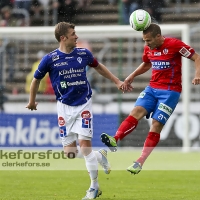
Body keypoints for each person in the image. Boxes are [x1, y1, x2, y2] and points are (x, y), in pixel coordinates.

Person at [26, 22, 130, 199]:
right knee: (70, 153)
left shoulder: (83, 54)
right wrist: (32, 101)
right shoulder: (50, 59)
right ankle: (100, 156)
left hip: (83, 105)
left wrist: (117, 81)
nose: (77, 36)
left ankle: (94, 187)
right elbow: (36, 80)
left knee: (85, 146)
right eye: (73, 34)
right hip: (64, 108)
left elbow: (99, 67)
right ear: (63, 38)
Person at [100, 23, 200, 175]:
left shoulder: (174, 45)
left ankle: (140, 161)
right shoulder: (149, 48)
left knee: (156, 123)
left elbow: (197, 57)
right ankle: (115, 139)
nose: (146, 44)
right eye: (144, 40)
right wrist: (131, 76)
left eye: (148, 40)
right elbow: (147, 64)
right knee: (136, 111)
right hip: (152, 88)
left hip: (170, 92)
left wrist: (197, 74)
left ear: (158, 37)